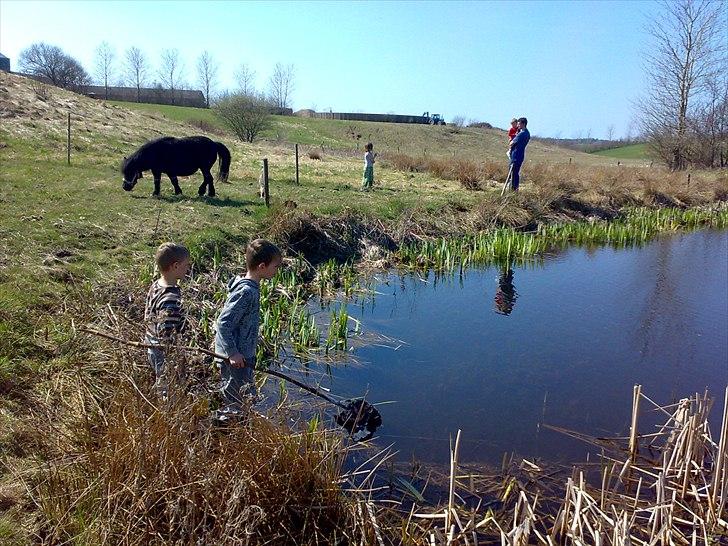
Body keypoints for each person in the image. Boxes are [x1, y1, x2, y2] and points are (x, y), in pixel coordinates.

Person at [214, 239, 282, 415]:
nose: (277, 271)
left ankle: (240, 429)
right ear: (262, 267)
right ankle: (226, 431)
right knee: (234, 400)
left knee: (245, 396)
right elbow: (223, 323)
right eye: (275, 267)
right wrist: (232, 353)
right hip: (235, 359)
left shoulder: (250, 286)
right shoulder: (246, 292)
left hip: (243, 355)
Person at [144, 242, 190, 395]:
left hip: (150, 342)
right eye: (185, 265)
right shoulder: (171, 298)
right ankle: (166, 413)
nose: (187, 269)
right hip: (163, 350)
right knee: (168, 387)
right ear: (175, 266)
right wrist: (177, 353)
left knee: (161, 380)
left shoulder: (156, 285)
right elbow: (167, 333)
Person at [508, 117, 530, 191]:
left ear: (523, 124)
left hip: (516, 155)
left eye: (519, 123)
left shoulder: (522, 133)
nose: (518, 125)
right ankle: (515, 189)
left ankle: (513, 189)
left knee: (513, 173)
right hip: (520, 155)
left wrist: (511, 142)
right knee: (516, 172)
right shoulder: (527, 133)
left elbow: (511, 143)